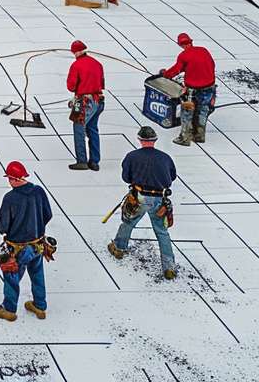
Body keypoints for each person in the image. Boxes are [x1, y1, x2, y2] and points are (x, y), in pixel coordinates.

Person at [107, 126, 179, 280]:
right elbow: (172, 177)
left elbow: (126, 178)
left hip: (139, 197)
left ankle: (119, 248)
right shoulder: (165, 158)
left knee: (128, 222)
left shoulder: (132, 156)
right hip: (159, 198)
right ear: (154, 140)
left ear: (140, 140)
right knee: (162, 231)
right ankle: (169, 267)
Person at [0, 160, 53, 321]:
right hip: (38, 245)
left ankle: (9, 309)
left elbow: (3, 226)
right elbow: (48, 214)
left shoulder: (10, 198)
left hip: (17, 248)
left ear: (12, 178)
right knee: (37, 274)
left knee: (11, 276)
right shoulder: (39, 191)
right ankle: (40, 306)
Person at [161, 33, 216, 146]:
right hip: (209, 87)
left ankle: (185, 138)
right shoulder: (204, 50)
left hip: (193, 90)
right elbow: (212, 65)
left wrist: (165, 74)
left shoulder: (183, 56)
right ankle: (199, 135)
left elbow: (176, 70)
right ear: (191, 41)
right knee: (203, 110)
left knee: (187, 112)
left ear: (180, 44)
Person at [66, 40, 105, 170]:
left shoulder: (76, 65)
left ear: (75, 52)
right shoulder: (97, 63)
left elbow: (71, 86)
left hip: (82, 101)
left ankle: (82, 161)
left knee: (78, 128)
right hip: (99, 100)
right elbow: (102, 83)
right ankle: (94, 161)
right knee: (92, 129)